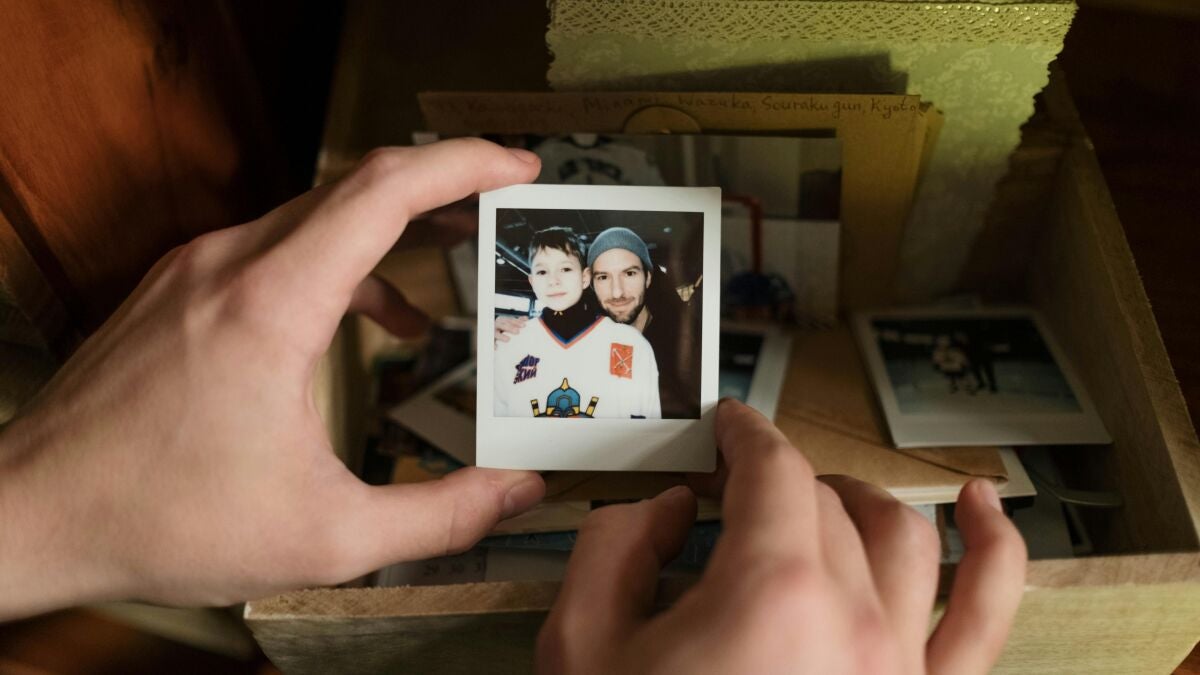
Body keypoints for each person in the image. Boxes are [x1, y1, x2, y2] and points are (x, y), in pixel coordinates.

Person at [0, 140, 1026, 674]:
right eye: (580, 274)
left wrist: (37, 504)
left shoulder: (635, 341)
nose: (598, 287)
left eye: (617, 277)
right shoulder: (536, 336)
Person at [498, 225, 701, 418]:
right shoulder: (519, 340)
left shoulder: (689, 342)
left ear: (648, 278)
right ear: (590, 282)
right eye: (603, 277)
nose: (617, 292)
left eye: (629, 273)